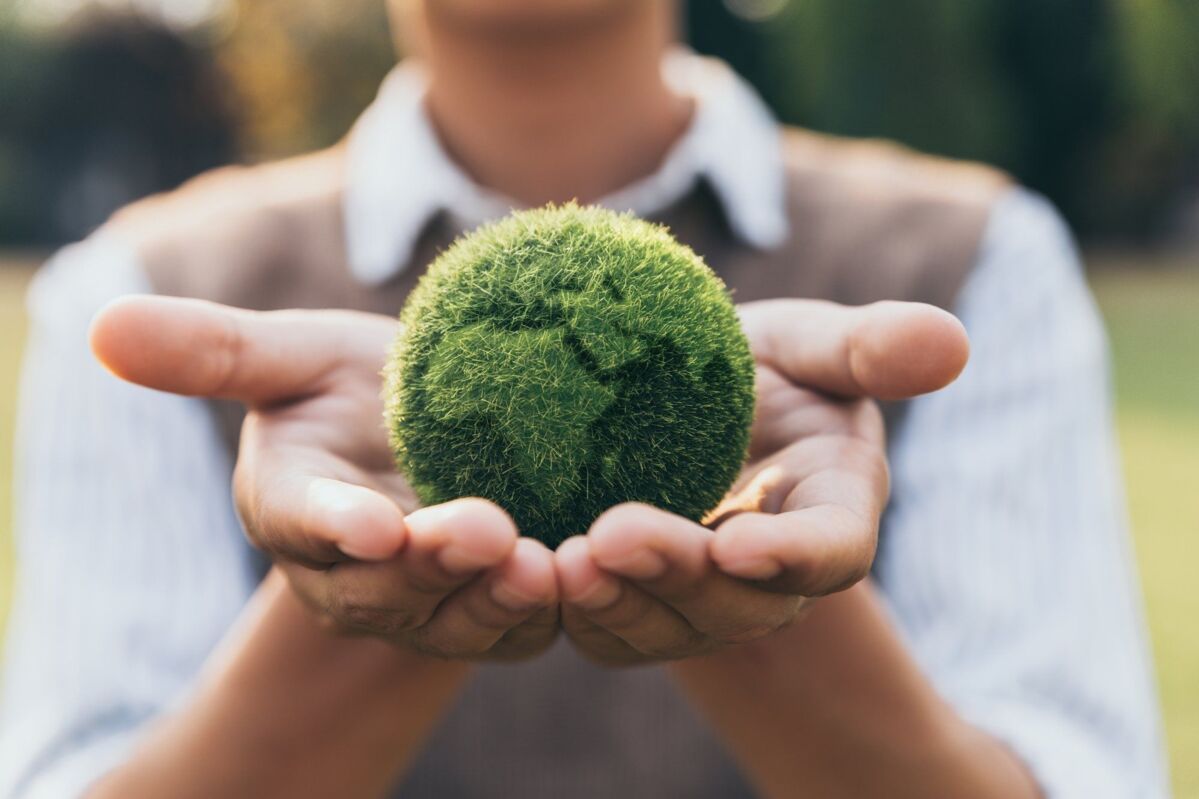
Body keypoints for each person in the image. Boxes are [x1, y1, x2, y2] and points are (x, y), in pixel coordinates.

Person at [0, 1, 1165, 797]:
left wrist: (766, 608)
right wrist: (356, 616)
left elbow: (1074, 770)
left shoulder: (975, 259)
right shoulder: (142, 294)